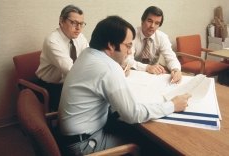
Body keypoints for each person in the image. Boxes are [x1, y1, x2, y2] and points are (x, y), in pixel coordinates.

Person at [58, 15, 191, 156]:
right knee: (152, 144)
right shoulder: (108, 68)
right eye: (127, 46)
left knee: (131, 126)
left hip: (71, 137)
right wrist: (173, 105)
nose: (129, 52)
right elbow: (132, 114)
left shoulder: (88, 54)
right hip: (85, 145)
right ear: (110, 44)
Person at [35, 5, 89, 111]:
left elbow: (90, 59)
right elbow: (70, 70)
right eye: (73, 23)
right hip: (50, 88)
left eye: (81, 24)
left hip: (70, 83)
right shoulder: (52, 41)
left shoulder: (80, 37)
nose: (78, 28)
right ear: (61, 21)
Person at [127, 6, 182, 83]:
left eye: (157, 23)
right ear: (142, 21)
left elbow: (171, 58)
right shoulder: (131, 35)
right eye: (149, 21)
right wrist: (147, 67)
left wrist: (175, 69)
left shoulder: (162, 37)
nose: (152, 26)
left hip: (153, 76)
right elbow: (127, 60)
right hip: (133, 73)